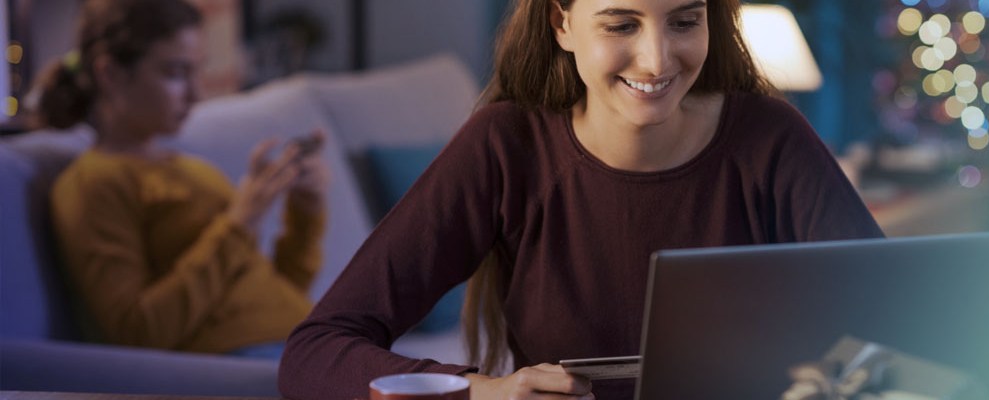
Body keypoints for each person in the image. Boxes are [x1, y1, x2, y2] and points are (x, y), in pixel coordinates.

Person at [278, 0, 883, 398]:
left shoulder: (769, 135)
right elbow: (314, 353)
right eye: (621, 24)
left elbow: (895, 323)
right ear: (562, 23)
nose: (657, 59)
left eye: (684, 20)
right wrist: (482, 391)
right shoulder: (505, 144)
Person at [35, 0, 328, 359]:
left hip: (302, 338)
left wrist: (304, 214)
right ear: (110, 74)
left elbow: (277, 293)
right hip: (241, 362)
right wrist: (239, 222)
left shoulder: (194, 169)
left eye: (196, 72)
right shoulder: (91, 184)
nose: (196, 94)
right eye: (175, 73)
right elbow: (138, 333)